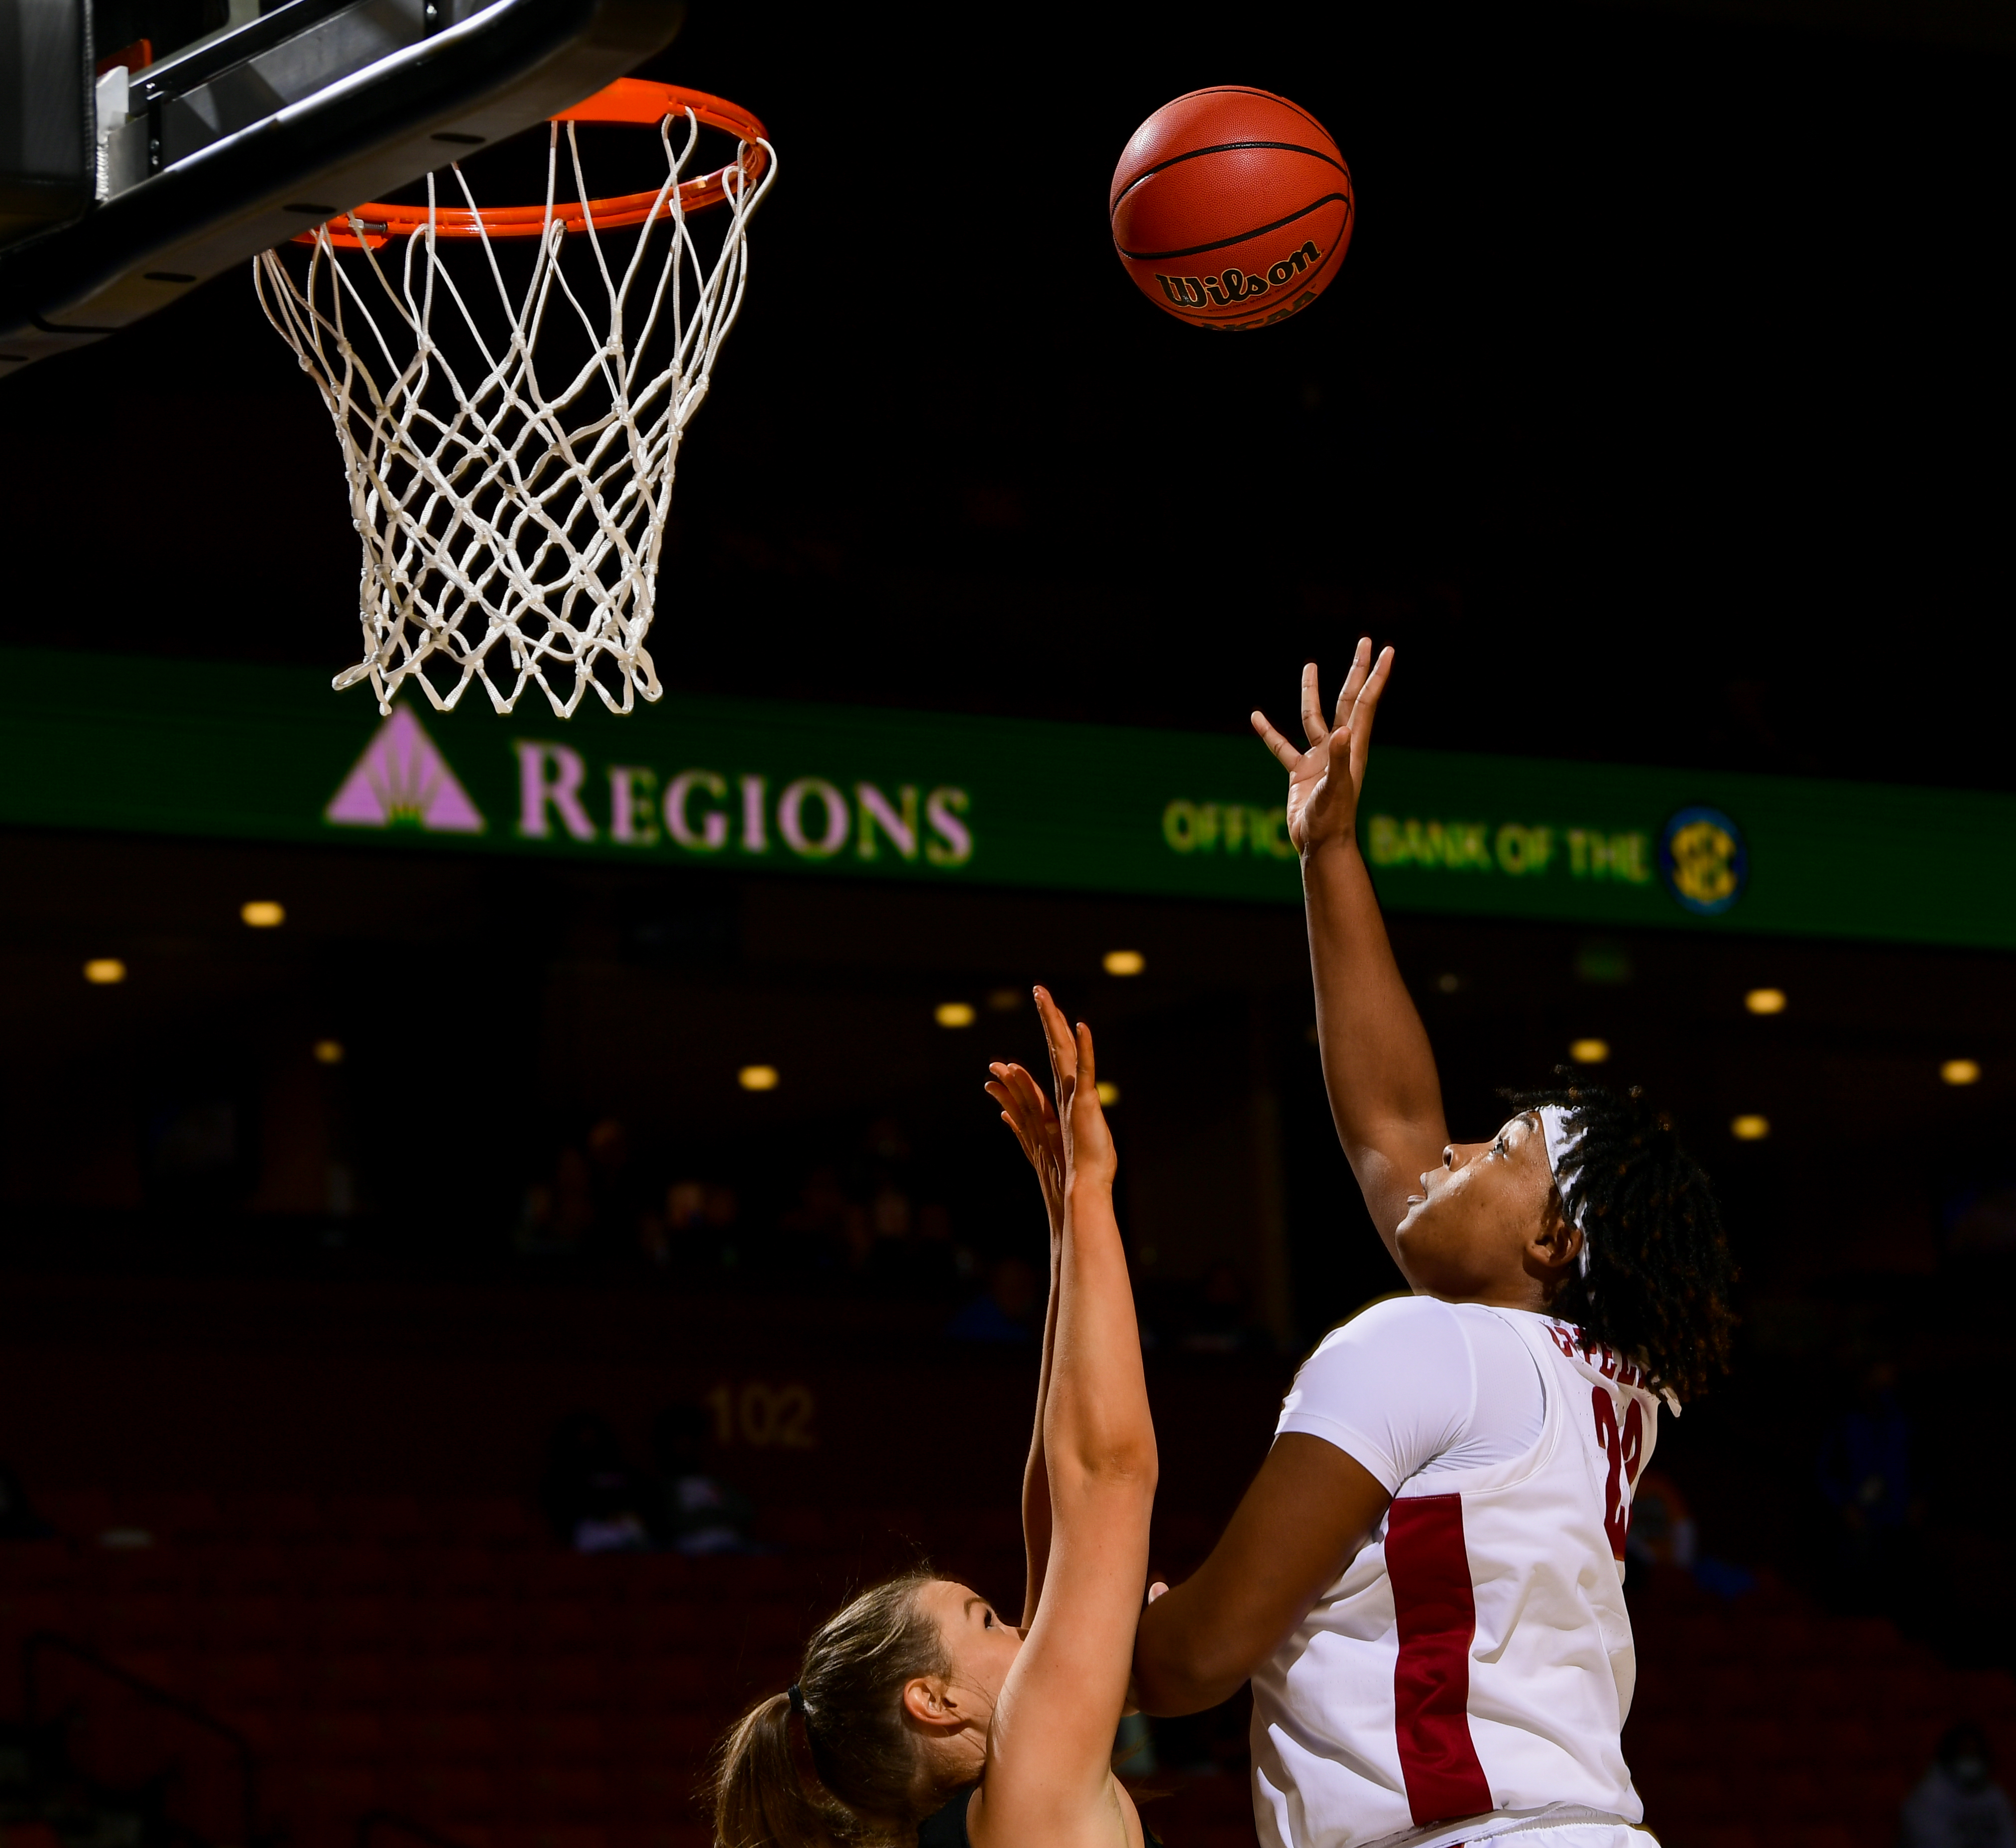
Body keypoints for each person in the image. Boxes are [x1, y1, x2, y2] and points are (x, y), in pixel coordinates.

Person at [1131, 645, 1739, 1848]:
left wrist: (1120, 1635)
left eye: (1500, 1148)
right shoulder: (1608, 1379)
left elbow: (1196, 1659)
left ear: (1559, 1238)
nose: (1452, 1154)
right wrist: (1331, 853)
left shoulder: (1424, 1349)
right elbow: (1391, 1134)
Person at [713, 988, 1161, 1848]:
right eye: (986, 1621)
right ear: (934, 1698)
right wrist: (1096, 1190)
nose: (1020, 1623)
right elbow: (1102, 1476)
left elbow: (1054, 1516)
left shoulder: (1003, 1795)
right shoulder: (1030, 1784)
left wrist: (1066, 1220)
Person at [1899, 1724, 2016, 1848]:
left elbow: (2008, 1840)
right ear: (1949, 1756)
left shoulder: (1995, 1795)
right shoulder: (1928, 1796)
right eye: (1965, 1754)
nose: (1971, 1761)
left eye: (1975, 1754)